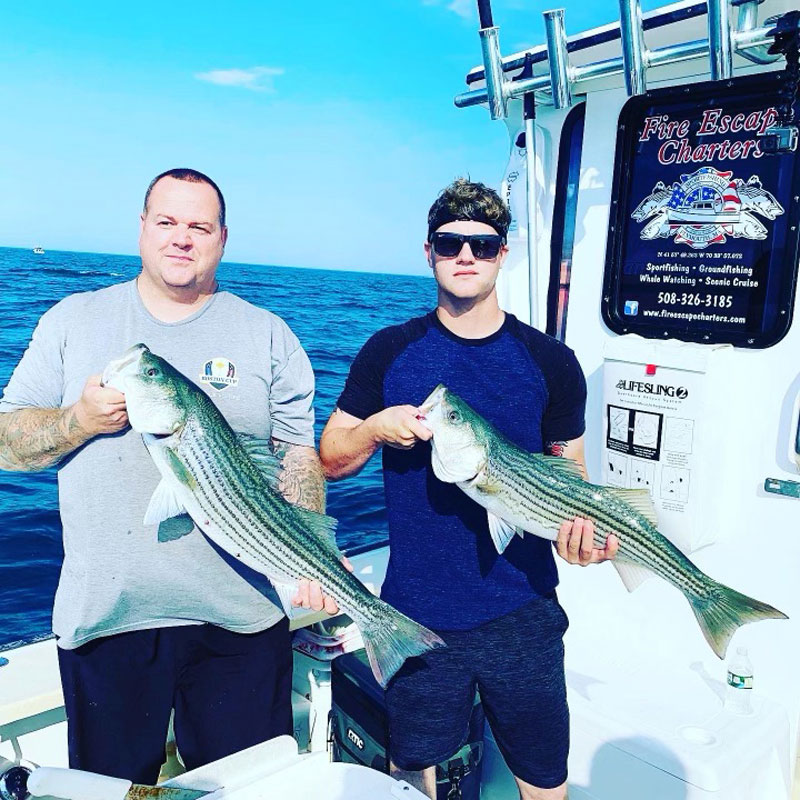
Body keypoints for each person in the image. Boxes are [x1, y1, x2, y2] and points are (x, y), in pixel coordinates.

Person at [0, 168, 342, 784]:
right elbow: (6, 444)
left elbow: (296, 455)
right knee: (113, 791)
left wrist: (311, 553)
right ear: (142, 228)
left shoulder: (269, 333)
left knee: (245, 791)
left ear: (222, 238)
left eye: (199, 227)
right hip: (107, 619)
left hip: (241, 621)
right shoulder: (73, 319)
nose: (181, 238)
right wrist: (78, 420)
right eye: (166, 221)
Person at [319, 178, 619, 800]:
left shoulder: (551, 361)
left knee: (544, 779)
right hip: (415, 612)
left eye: (481, 245)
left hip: (525, 611)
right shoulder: (389, 350)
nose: (465, 256)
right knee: (410, 774)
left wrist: (583, 541)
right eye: (450, 243)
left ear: (502, 253)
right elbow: (331, 458)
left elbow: (571, 477)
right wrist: (374, 429)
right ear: (428, 251)